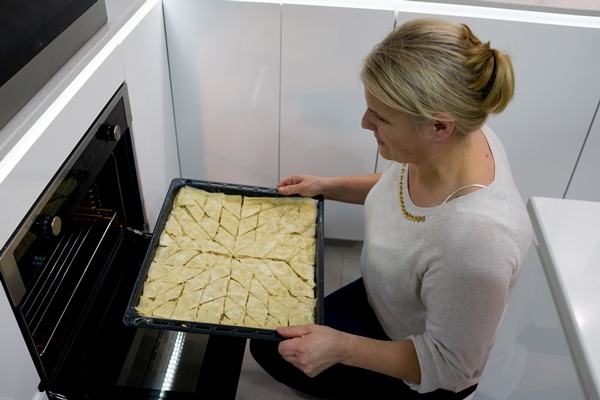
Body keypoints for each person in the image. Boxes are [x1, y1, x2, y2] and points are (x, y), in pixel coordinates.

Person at [250, 17, 532, 399]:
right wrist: (326, 187)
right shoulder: (459, 134)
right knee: (267, 326)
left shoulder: (477, 243)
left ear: (438, 126)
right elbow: (399, 189)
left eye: (380, 117)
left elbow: (451, 366)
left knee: (269, 346)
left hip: (423, 366)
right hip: (385, 297)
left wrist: (343, 347)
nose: (365, 123)